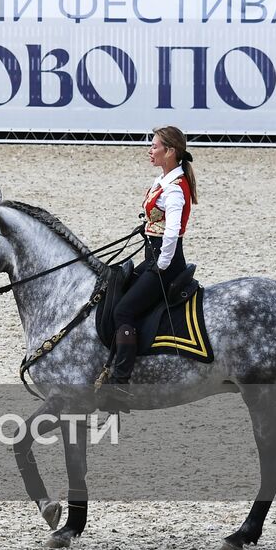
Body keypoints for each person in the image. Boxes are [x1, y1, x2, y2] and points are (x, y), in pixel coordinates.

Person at [100, 126, 198, 389]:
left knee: (123, 311)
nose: (150, 150)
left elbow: (173, 231)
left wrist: (162, 265)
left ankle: (120, 381)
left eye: (155, 146)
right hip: (154, 255)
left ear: (170, 151)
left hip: (165, 262)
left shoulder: (175, 189)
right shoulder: (164, 181)